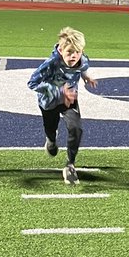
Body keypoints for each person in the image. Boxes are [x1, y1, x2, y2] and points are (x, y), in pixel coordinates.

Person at [28, 27, 98, 186]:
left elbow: (83, 68)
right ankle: (51, 140)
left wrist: (87, 77)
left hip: (69, 100)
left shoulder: (83, 59)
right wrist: (59, 91)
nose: (73, 56)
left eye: (77, 52)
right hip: (50, 101)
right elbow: (32, 83)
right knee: (51, 129)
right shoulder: (51, 64)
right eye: (69, 52)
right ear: (60, 50)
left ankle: (70, 165)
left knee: (76, 128)